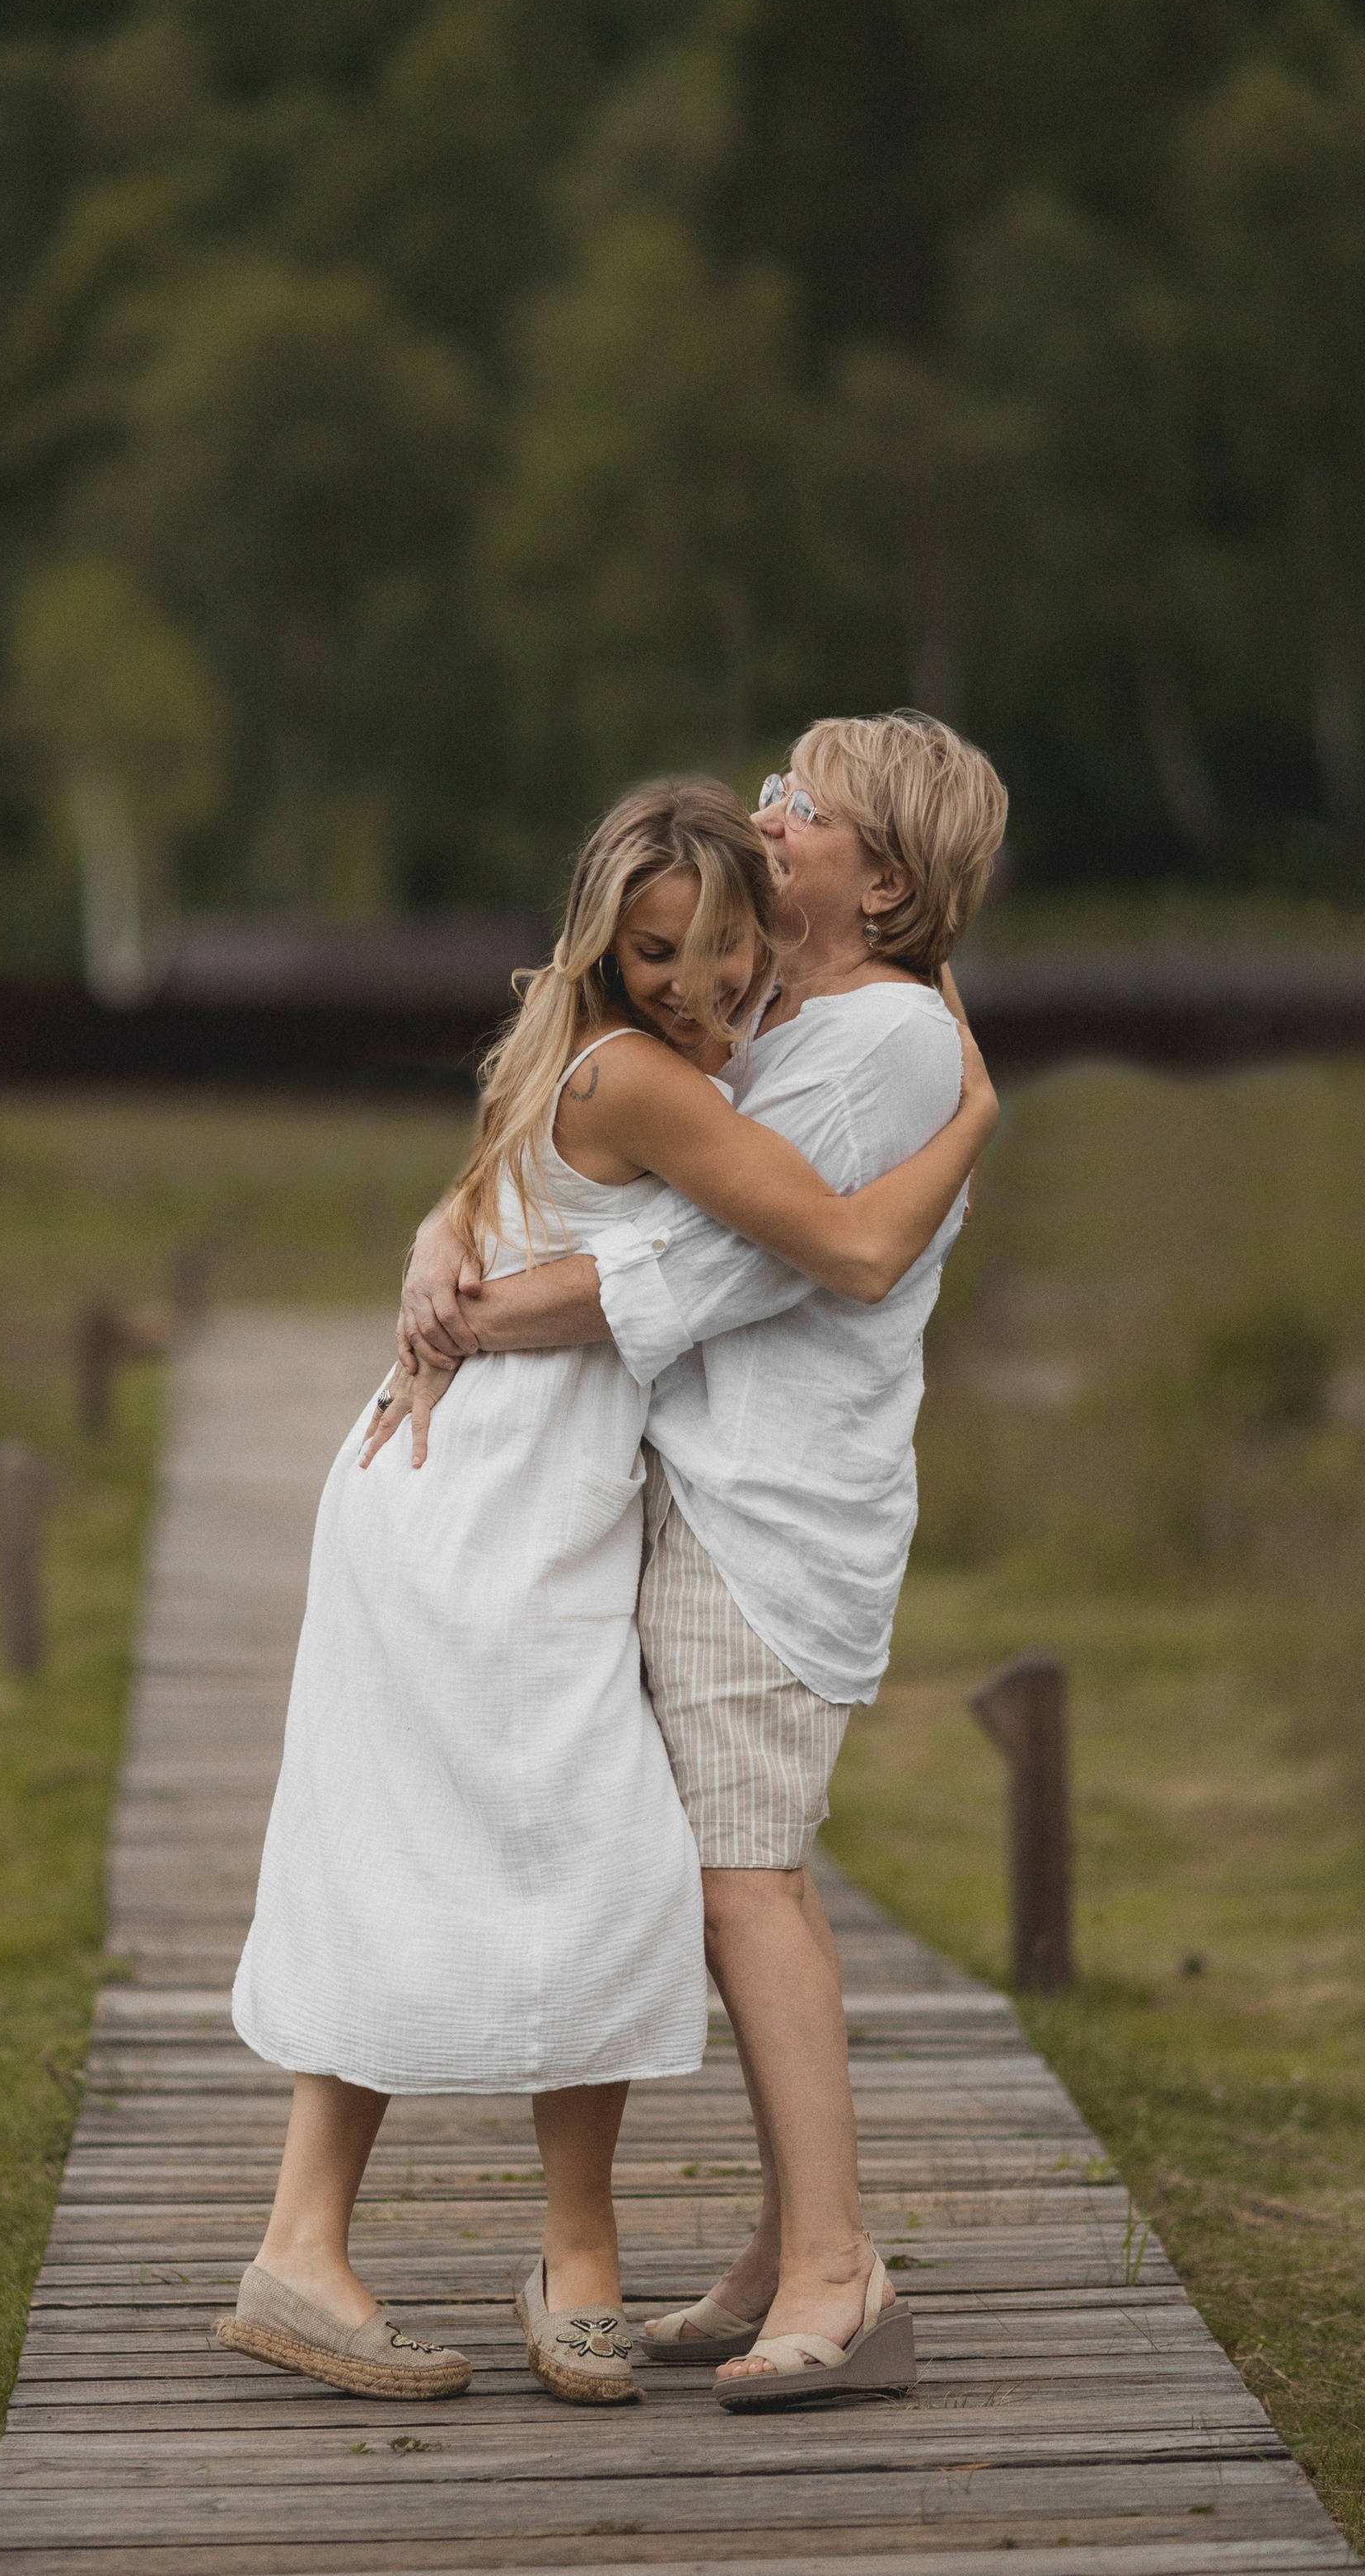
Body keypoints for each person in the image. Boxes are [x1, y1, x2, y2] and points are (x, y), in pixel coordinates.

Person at [217, 772, 997, 2410]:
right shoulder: (649, 1072)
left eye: (718, 948)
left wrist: (452, 1250)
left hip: (505, 1486)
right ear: (605, 949)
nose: (691, 982)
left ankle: (543, 2250)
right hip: (484, 1499)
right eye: (654, 953)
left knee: (558, 1849)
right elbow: (834, 1249)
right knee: (556, 1847)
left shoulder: (682, 1038)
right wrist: (976, 1118)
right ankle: (418, 2249)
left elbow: (524, 1192)